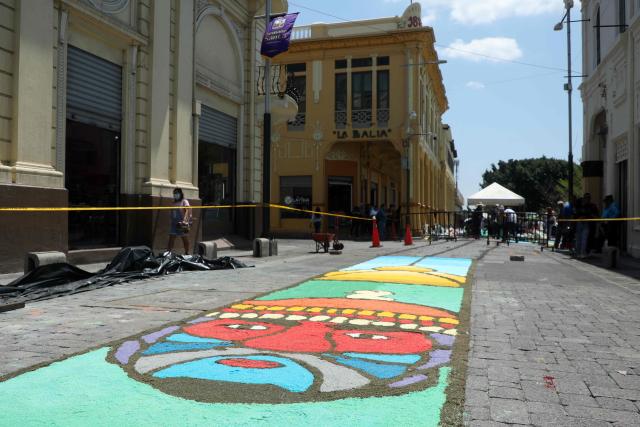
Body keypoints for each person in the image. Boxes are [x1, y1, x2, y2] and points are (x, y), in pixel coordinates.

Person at [168, 188, 192, 254]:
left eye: (177, 193)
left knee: (185, 239)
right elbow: (171, 213)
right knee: (171, 238)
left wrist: (185, 221)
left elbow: (188, 209)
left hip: (182, 223)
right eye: (174, 193)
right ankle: (168, 253)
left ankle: (186, 253)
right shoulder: (173, 203)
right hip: (174, 224)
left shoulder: (184, 201)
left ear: (180, 194)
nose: (175, 194)